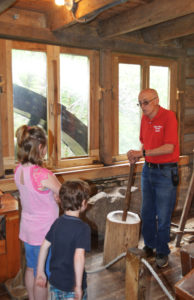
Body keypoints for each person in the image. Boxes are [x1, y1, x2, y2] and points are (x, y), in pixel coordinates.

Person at [127, 88, 179, 268]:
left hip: (166, 172)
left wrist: (141, 153)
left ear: (156, 100)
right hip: (148, 170)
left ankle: (162, 250)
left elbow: (169, 147)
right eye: (140, 103)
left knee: (163, 215)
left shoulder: (168, 117)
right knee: (147, 211)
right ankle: (149, 245)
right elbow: (145, 142)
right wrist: (139, 154)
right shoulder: (144, 119)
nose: (142, 106)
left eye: (146, 102)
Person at [15, 125, 61, 300]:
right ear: (40, 148)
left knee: (31, 268)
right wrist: (58, 196)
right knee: (42, 275)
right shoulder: (43, 174)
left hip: (27, 230)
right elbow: (65, 194)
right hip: (45, 234)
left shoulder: (18, 170)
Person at [36, 180, 91, 300]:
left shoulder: (57, 223)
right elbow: (79, 256)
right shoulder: (83, 228)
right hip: (71, 286)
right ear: (83, 203)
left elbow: (44, 246)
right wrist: (78, 286)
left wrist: (40, 272)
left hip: (55, 282)